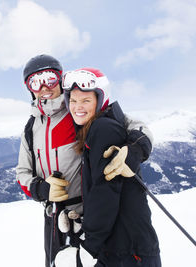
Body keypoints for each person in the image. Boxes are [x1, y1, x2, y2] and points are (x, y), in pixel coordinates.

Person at [16, 55, 154, 267]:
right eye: (35, 81)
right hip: (54, 218)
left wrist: (136, 149)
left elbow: (132, 125)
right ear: (29, 88)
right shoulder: (30, 129)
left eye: (49, 78)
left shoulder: (79, 111)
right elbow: (22, 173)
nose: (44, 87)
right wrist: (42, 189)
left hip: (88, 215)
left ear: (60, 80)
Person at [55, 67, 161, 266]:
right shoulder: (98, 126)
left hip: (128, 251)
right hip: (124, 246)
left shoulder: (103, 129)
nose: (78, 106)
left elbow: (105, 193)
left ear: (100, 100)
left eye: (86, 100)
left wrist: (90, 246)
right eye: (73, 100)